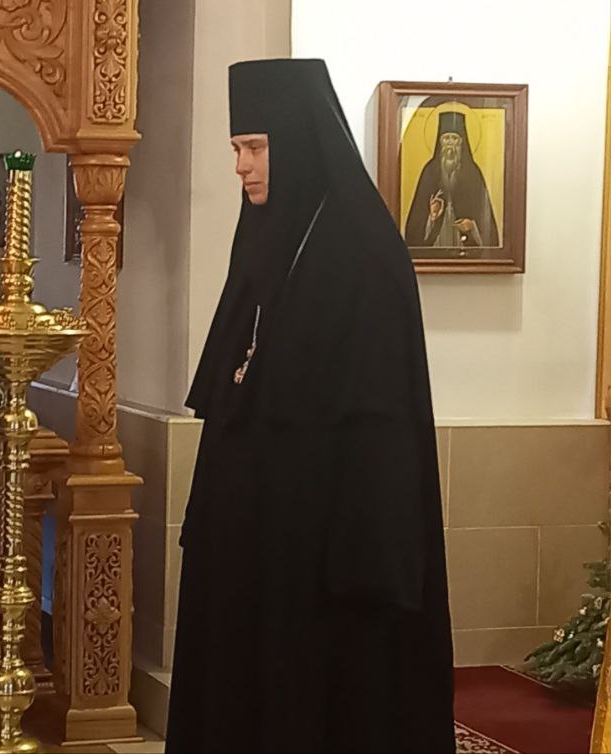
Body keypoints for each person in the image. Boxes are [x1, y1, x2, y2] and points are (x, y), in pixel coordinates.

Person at [166, 59, 453, 753]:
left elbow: (382, 429)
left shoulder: (366, 256)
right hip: (253, 545)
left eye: (255, 147)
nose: (242, 166)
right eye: (236, 148)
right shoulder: (262, 240)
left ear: (298, 140)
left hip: (322, 555)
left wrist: (363, 560)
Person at [403, 110, 499, 248]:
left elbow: (485, 220)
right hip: (435, 244)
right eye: (446, 138)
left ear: (462, 143)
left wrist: (472, 226)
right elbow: (415, 224)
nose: (450, 144)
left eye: (454, 139)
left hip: (465, 246)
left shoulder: (472, 173)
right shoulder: (429, 171)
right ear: (440, 142)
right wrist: (431, 217)